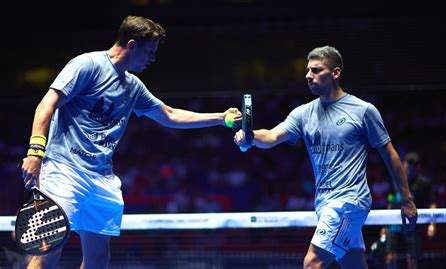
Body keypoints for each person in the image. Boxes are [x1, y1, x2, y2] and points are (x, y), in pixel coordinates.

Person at [21, 15, 241, 269]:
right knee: (49, 250)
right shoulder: (87, 65)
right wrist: (35, 151)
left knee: (98, 260)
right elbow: (47, 104)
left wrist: (220, 118)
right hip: (64, 169)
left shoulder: (133, 86)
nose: (153, 59)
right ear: (132, 45)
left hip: (101, 178)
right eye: (150, 52)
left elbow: (169, 115)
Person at [234, 45, 418, 269]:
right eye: (307, 71)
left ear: (335, 73)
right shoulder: (304, 113)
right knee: (354, 265)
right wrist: (250, 136)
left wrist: (407, 199)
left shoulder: (363, 110)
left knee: (312, 264)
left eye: (316, 70)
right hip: (324, 204)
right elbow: (272, 135)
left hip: (349, 201)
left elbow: (389, 153)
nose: (308, 76)